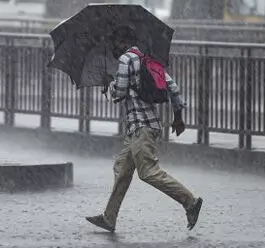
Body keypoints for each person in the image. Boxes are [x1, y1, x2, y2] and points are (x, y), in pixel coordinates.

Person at [86, 26, 203, 233]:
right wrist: (178, 117)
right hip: (142, 127)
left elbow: (118, 94)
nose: (112, 49)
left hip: (141, 127)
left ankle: (190, 202)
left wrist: (109, 83)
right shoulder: (147, 59)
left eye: (114, 43)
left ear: (121, 42)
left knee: (148, 172)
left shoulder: (125, 60)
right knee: (122, 170)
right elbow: (172, 87)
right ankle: (109, 218)